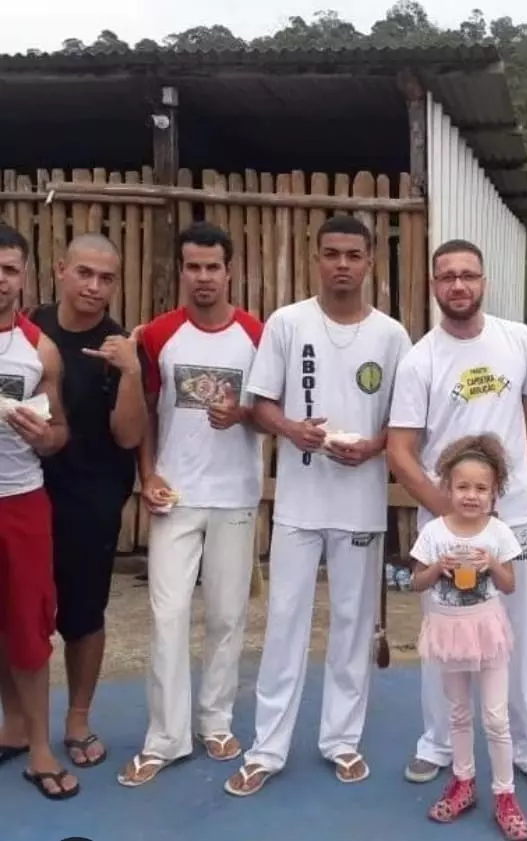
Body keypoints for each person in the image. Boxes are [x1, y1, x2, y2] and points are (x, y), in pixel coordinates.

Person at [224, 214, 412, 797]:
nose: (342, 265)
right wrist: (292, 431)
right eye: (331, 254)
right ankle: (267, 749)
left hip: (359, 500)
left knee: (354, 625)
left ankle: (342, 741)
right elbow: (260, 403)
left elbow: (404, 424)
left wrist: (375, 447)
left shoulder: (392, 336)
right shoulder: (288, 323)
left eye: (353, 255)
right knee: (285, 623)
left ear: (369, 261)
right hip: (299, 503)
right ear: (316, 258)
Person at [388, 238, 527, 792]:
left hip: (509, 522)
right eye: (447, 277)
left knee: (519, 633)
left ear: (484, 281)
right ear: (435, 285)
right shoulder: (421, 358)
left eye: (468, 275)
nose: (458, 285)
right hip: (444, 526)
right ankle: (438, 743)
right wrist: (451, 519)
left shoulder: (519, 339)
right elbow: (400, 450)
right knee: (446, 633)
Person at [118, 221, 264, 787]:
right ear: (181, 271)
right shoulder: (156, 335)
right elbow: (148, 410)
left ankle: (215, 720)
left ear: (230, 271)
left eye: (213, 267)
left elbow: (270, 407)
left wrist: (245, 414)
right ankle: (165, 737)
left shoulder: (256, 333)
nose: (203, 277)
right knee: (167, 614)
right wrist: (148, 473)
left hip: (235, 494)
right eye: (193, 267)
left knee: (227, 616)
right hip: (174, 495)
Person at [27, 234, 147, 770]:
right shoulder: (27, 330)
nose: (95, 287)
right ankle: (17, 720)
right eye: (85, 273)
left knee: (84, 612)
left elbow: (129, 437)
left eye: (107, 278)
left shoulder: (119, 345)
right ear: (60, 271)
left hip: (91, 495)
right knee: (19, 612)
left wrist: (130, 373)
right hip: (23, 488)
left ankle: (77, 718)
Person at [410, 434, 527, 840]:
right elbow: (417, 582)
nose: (471, 495)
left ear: (495, 493)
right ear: (447, 487)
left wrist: (492, 562)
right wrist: (437, 567)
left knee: (496, 717)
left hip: (488, 631)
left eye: (481, 488)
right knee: (458, 713)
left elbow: (510, 585)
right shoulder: (433, 533)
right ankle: (463, 783)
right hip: (448, 633)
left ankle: (505, 794)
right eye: (463, 486)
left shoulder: (497, 532)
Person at [0, 223, 75, 798]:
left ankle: (41, 748)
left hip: (21, 500)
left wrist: (43, 436)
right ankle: (14, 728)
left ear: (24, 275)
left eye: (8, 269)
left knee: (28, 625)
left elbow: (59, 433)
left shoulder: (39, 349)